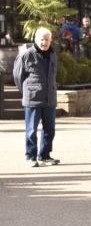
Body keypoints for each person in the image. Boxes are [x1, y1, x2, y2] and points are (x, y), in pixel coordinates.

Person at [13, 28, 60, 167]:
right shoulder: (26, 55)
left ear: (51, 40)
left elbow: (53, 74)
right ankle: (31, 157)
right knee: (31, 131)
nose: (44, 42)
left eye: (46, 39)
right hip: (32, 99)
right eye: (41, 39)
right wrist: (27, 92)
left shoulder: (53, 54)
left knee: (49, 130)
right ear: (35, 40)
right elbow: (17, 77)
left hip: (49, 99)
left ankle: (45, 155)